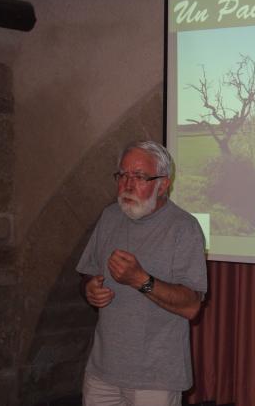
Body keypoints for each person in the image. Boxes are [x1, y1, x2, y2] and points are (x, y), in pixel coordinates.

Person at [76, 140, 207, 406]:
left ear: (163, 185)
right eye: (122, 175)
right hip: (103, 371)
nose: (127, 184)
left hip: (155, 378)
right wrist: (89, 288)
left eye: (139, 176)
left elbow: (192, 306)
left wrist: (141, 281)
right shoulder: (110, 217)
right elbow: (86, 274)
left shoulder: (184, 228)